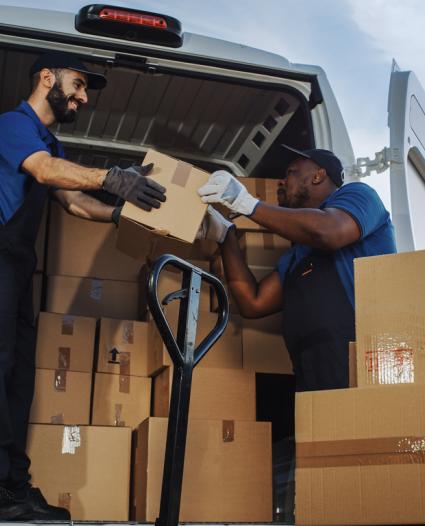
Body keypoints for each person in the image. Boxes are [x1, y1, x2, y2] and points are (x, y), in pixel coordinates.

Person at [0, 52, 166, 521]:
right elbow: (46, 173)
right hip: (1, 257)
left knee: (16, 380)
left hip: (17, 266)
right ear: (46, 78)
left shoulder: (49, 141)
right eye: (78, 84)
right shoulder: (14, 125)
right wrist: (114, 178)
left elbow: (72, 201)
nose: (82, 96)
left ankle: (11, 488)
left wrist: (121, 211)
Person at [198, 145, 396, 392]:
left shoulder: (359, 196)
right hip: (310, 372)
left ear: (318, 175)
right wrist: (225, 236)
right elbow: (253, 302)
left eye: (291, 172)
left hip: (362, 363)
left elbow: (328, 231)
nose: (282, 181)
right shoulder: (296, 255)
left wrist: (245, 202)